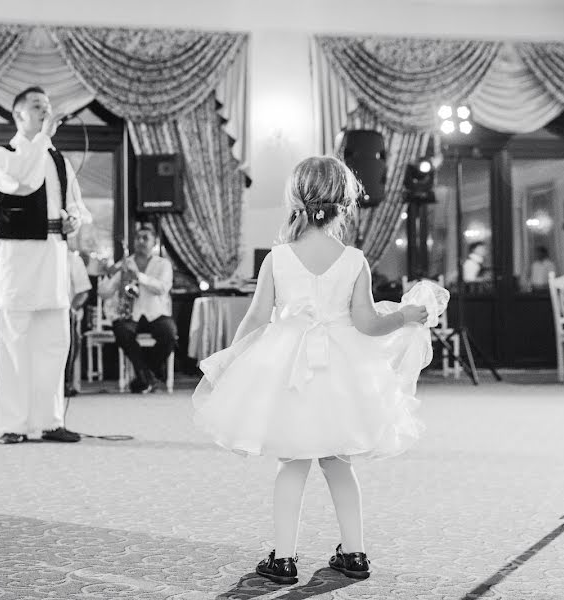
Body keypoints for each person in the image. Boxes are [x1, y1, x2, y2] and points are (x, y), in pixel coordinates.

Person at [193, 156, 447, 584]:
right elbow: (367, 324)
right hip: (342, 373)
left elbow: (256, 318)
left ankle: (284, 558)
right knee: (337, 461)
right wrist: (403, 316)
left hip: (286, 367)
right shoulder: (353, 260)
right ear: (346, 202)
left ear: (295, 198)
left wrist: (232, 359)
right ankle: (355, 553)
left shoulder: (277, 258)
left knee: (292, 463)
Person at [0, 85, 90, 444]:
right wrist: (42, 138)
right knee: (17, 342)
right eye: (37, 107)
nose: (45, 112)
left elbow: (77, 204)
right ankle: (14, 424)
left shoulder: (58, 159)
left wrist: (73, 220)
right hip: (19, 258)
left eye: (48, 107)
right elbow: (22, 182)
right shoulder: (3, 155)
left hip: (53, 256)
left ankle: (50, 420)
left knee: (54, 340)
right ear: (18, 114)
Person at [98, 223, 177, 393]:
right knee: (121, 330)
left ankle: (145, 373)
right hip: (131, 314)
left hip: (157, 314)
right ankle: (148, 376)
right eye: (138, 238)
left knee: (170, 335)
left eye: (145, 238)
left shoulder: (163, 265)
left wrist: (138, 276)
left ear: (154, 242)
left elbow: (162, 288)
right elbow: (105, 293)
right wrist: (108, 273)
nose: (141, 241)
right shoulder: (125, 264)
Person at [64, 249, 91, 397]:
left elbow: (83, 291)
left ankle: (62, 381)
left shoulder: (72, 260)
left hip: (66, 313)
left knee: (69, 337)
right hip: (39, 313)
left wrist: (71, 309)